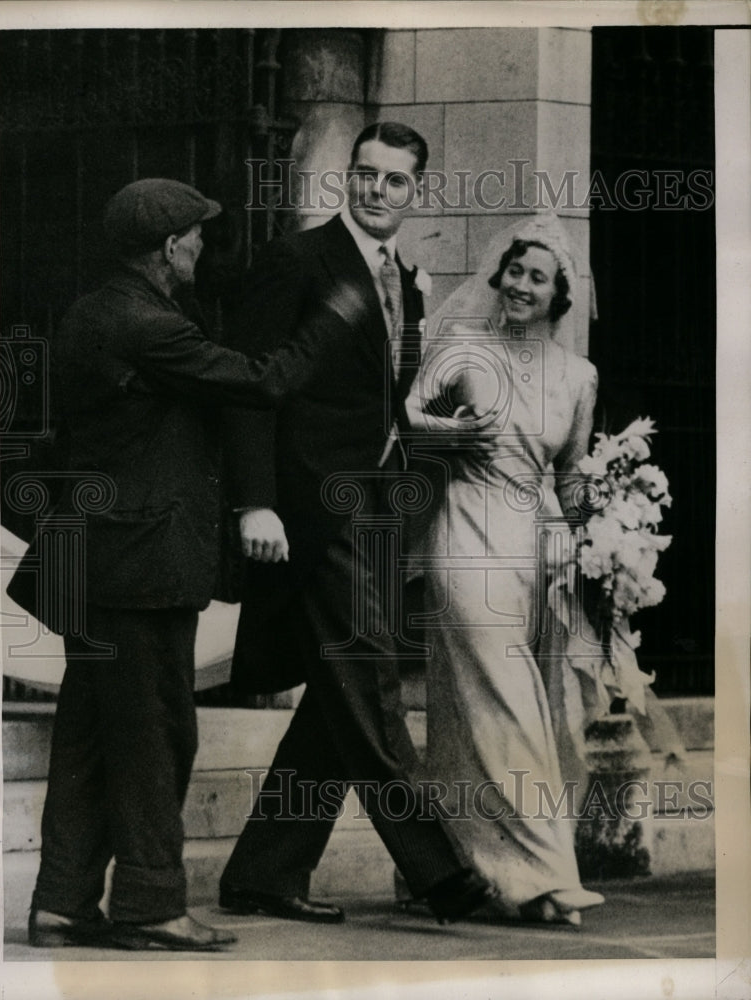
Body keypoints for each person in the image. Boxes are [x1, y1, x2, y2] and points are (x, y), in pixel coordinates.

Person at [7, 178, 345, 952]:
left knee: (93, 737)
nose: (201, 246)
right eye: (195, 236)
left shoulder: (97, 312)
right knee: (157, 736)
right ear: (168, 247)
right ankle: (151, 904)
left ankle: (62, 902)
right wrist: (331, 317)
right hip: (140, 567)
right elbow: (262, 381)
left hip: (102, 561)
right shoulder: (147, 324)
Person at [216, 122, 491, 925]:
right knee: (369, 678)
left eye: (394, 180)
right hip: (312, 507)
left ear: (416, 191)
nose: (376, 190)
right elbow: (252, 387)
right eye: (365, 174)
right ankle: (442, 871)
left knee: (339, 697)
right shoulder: (297, 260)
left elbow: (384, 402)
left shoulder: (405, 279)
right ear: (348, 177)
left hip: (377, 508)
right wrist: (255, 500)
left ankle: (264, 873)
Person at [405, 213, 606, 926]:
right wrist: (451, 432)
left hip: (536, 549)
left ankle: (470, 870)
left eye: (537, 278)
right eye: (515, 272)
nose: (521, 285)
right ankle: (548, 873)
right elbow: (405, 418)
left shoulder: (579, 376)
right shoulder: (462, 348)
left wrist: (605, 540)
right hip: (465, 530)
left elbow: (573, 475)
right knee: (507, 698)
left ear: (559, 296)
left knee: (484, 708)